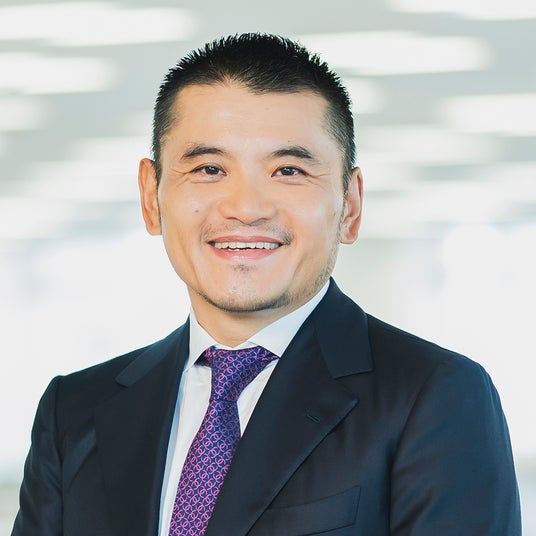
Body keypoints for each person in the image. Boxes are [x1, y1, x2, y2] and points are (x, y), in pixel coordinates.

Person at [12, 33, 521, 536]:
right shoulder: (74, 410)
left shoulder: (433, 397)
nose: (246, 207)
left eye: (289, 170)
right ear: (151, 197)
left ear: (350, 205)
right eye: (209, 168)